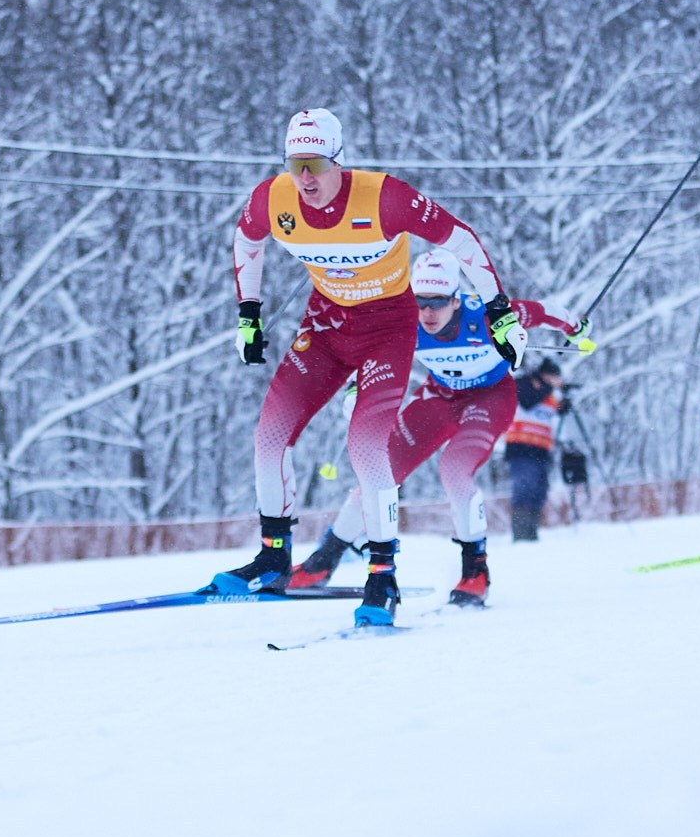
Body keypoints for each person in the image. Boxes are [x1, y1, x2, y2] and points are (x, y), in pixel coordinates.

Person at [206, 108, 511, 627]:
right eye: (296, 163)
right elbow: (246, 240)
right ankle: (274, 554)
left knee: (367, 447)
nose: (306, 178)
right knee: (269, 436)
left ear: (339, 162)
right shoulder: (273, 198)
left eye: (317, 163)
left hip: (388, 330)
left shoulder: (384, 196)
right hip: (325, 326)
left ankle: (382, 575)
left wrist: (499, 308)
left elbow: (460, 237)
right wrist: (248, 312)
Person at [290, 253, 584, 605]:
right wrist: (356, 391)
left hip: (489, 399)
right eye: (420, 301)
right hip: (439, 396)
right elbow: (366, 356)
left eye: (438, 302)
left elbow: (544, 311)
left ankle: (475, 570)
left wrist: (575, 327)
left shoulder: (487, 315)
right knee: (378, 471)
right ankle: (325, 559)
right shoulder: (403, 320)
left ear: (455, 299)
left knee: (455, 471)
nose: (427, 313)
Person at [500, 358, 567, 541]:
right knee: (524, 489)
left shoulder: (549, 395)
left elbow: (552, 413)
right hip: (521, 447)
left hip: (541, 450)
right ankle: (521, 536)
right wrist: (549, 386)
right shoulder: (525, 383)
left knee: (539, 490)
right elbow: (527, 401)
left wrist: (563, 404)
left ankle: (531, 534)